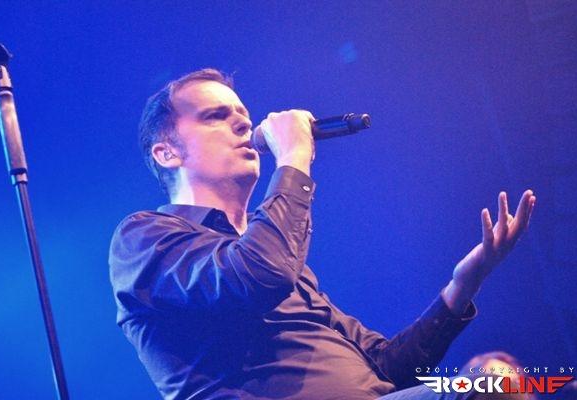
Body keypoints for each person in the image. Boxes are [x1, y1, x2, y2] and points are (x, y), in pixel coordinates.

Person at [109, 68, 536, 400]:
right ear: (167, 152)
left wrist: (462, 286)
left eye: (243, 116)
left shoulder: (276, 248)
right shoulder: (144, 238)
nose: (242, 125)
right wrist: (294, 155)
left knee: (502, 380)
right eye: (216, 116)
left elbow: (387, 367)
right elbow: (258, 275)